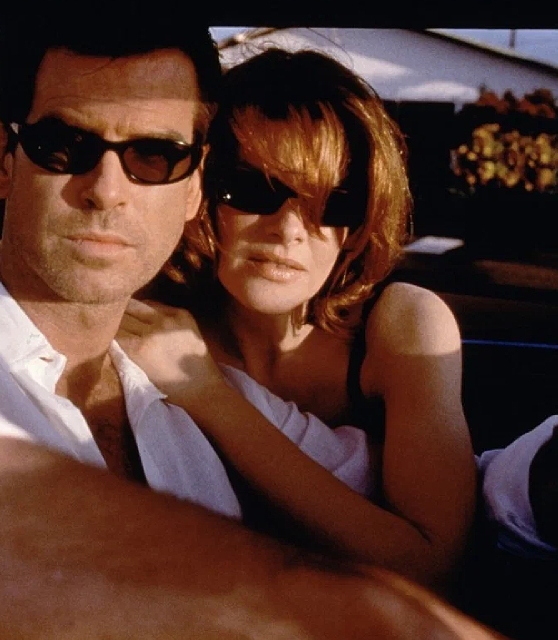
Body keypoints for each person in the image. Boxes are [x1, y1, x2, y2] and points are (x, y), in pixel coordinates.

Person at [0, 17, 501, 640]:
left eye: (154, 156)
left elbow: (401, 515)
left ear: (192, 187)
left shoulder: (192, 376)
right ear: (3, 158)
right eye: (64, 145)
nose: (108, 188)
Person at [119, 47, 478, 591]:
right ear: (201, 192)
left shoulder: (403, 325)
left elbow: (429, 565)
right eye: (253, 188)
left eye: (334, 203)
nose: (289, 230)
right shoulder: (154, 317)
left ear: (359, 225)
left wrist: (208, 396)